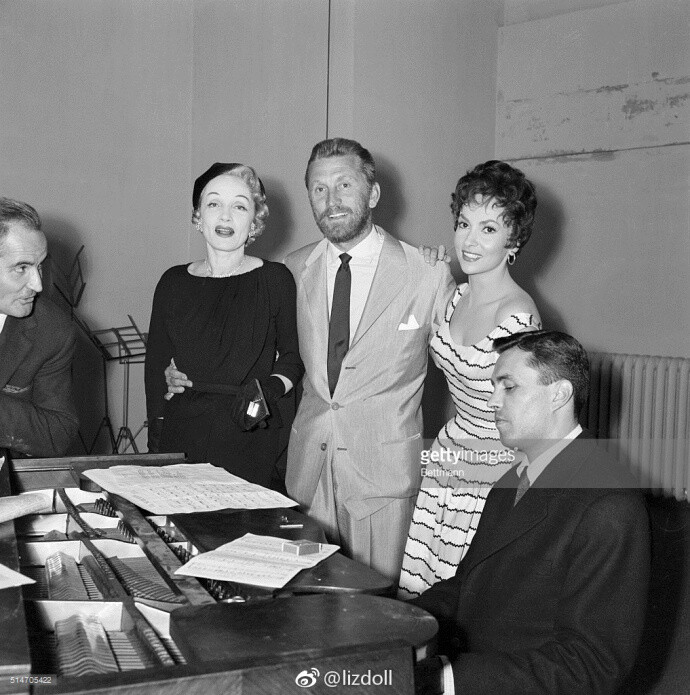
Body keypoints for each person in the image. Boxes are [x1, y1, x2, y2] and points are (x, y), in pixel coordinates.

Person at [411, 330, 650, 695]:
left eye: (508, 388)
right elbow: (468, 586)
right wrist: (403, 625)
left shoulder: (609, 506)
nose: (491, 400)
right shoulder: (515, 475)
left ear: (559, 395)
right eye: (493, 386)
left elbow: (593, 664)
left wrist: (449, 678)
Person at [283, 138, 455, 581]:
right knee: (305, 604)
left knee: (378, 611)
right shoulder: (294, 268)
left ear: (373, 194)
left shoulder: (426, 272)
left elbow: (466, 365)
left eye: (344, 184)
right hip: (308, 471)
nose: (332, 200)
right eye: (319, 189)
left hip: (382, 477)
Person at [399, 161, 541, 599]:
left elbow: (529, 419)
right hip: (448, 458)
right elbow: (402, 334)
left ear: (513, 240)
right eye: (464, 223)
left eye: (489, 229)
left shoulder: (517, 316)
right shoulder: (453, 293)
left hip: (493, 473)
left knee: (468, 601)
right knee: (425, 594)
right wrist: (423, 276)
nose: (470, 240)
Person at [145, 163, 304, 488]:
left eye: (240, 206)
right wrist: (156, 448)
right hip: (182, 436)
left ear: (255, 220)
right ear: (198, 216)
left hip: (248, 431)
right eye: (214, 203)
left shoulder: (275, 280)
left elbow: (293, 359)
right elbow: (155, 371)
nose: (226, 216)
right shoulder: (172, 282)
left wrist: (266, 391)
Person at [0, 197, 78, 457]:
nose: (38, 285)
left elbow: (58, 433)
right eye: (21, 268)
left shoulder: (52, 330)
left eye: (39, 266)